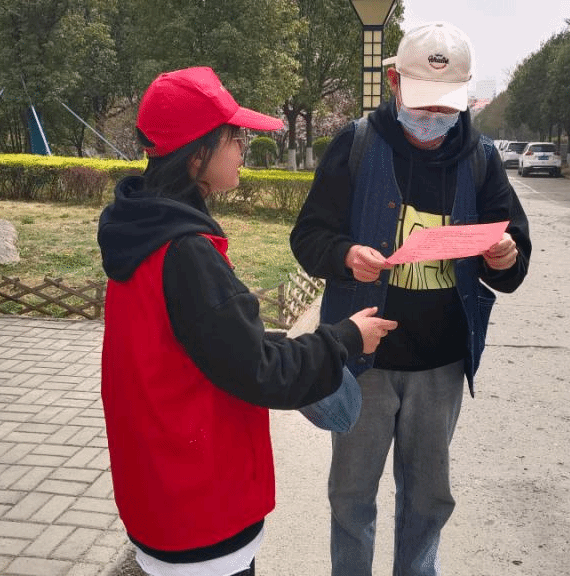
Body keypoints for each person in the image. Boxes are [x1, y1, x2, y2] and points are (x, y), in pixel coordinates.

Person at [97, 66, 397, 576]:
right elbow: (262, 372)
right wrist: (347, 338)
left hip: (161, 492)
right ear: (196, 154)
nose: (243, 148)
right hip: (201, 510)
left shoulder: (142, 230)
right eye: (233, 137)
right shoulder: (185, 251)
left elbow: (209, 341)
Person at [290, 22, 532, 576]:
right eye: (423, 103)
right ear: (394, 82)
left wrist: (503, 258)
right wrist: (345, 254)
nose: (433, 119)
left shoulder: (480, 158)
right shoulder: (356, 144)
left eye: (446, 107)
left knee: (428, 501)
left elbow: (513, 255)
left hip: (440, 367)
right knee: (351, 497)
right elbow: (308, 238)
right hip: (364, 364)